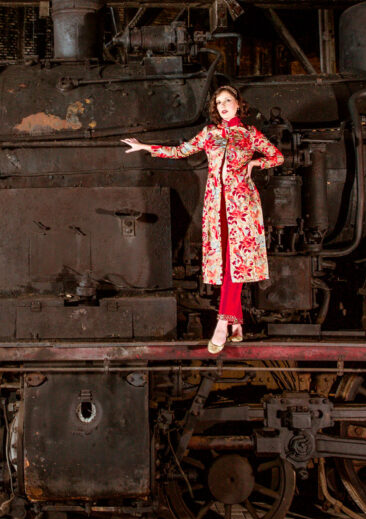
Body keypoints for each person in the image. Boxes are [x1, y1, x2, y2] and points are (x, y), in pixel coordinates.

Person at [121, 85, 284, 354]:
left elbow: (277, 156)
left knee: (236, 261)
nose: (222, 106)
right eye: (218, 102)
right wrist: (145, 147)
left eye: (227, 100)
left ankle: (222, 323)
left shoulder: (249, 134)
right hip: (215, 204)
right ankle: (237, 323)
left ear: (238, 104)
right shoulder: (210, 133)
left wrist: (256, 164)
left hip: (242, 204)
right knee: (227, 262)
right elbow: (180, 151)